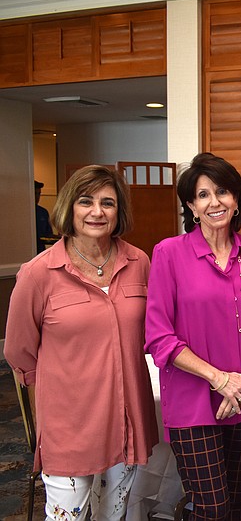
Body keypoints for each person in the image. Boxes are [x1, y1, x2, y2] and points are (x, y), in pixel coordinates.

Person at [5, 165, 158, 521]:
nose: (97, 212)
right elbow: (19, 351)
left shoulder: (139, 263)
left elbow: (148, 335)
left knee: (114, 515)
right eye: (85, 201)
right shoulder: (37, 274)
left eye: (108, 203)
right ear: (69, 208)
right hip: (71, 427)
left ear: (119, 212)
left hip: (126, 424)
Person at [145, 152, 241, 520]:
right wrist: (220, 380)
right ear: (191, 205)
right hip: (193, 400)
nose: (214, 202)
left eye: (223, 191)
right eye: (203, 195)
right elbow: (159, 336)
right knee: (212, 507)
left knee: (233, 501)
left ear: (236, 200)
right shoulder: (169, 253)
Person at [34, 179, 56, 252]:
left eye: (39, 194)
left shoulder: (43, 212)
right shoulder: (21, 213)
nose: (37, 197)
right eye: (35, 193)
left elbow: (48, 234)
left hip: (40, 251)